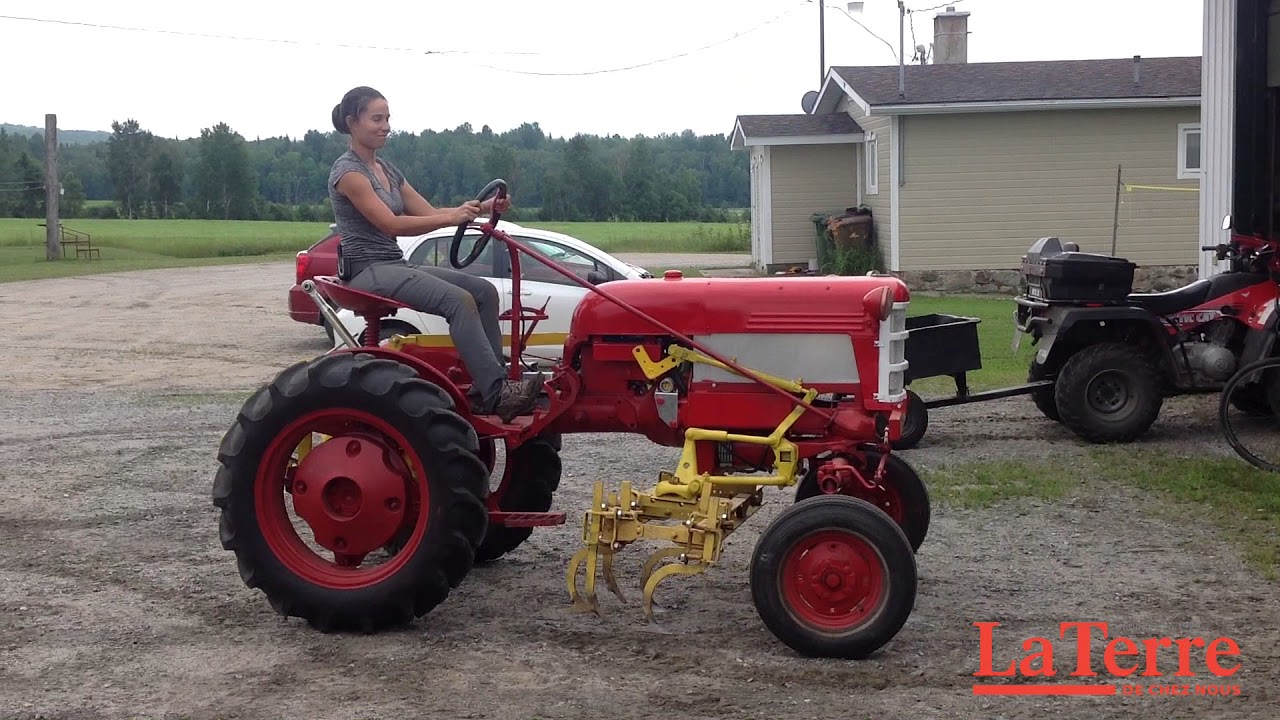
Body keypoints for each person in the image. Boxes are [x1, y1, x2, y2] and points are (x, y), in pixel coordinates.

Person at [327, 85, 540, 422]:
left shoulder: (389, 171)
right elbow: (391, 224)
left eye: (388, 118)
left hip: (393, 264)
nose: (386, 126)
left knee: (483, 291)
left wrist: (483, 207)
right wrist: (451, 218)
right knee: (458, 300)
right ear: (353, 123)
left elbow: (427, 213)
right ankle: (498, 392)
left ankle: (486, 388)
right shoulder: (349, 173)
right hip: (367, 270)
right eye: (377, 119)